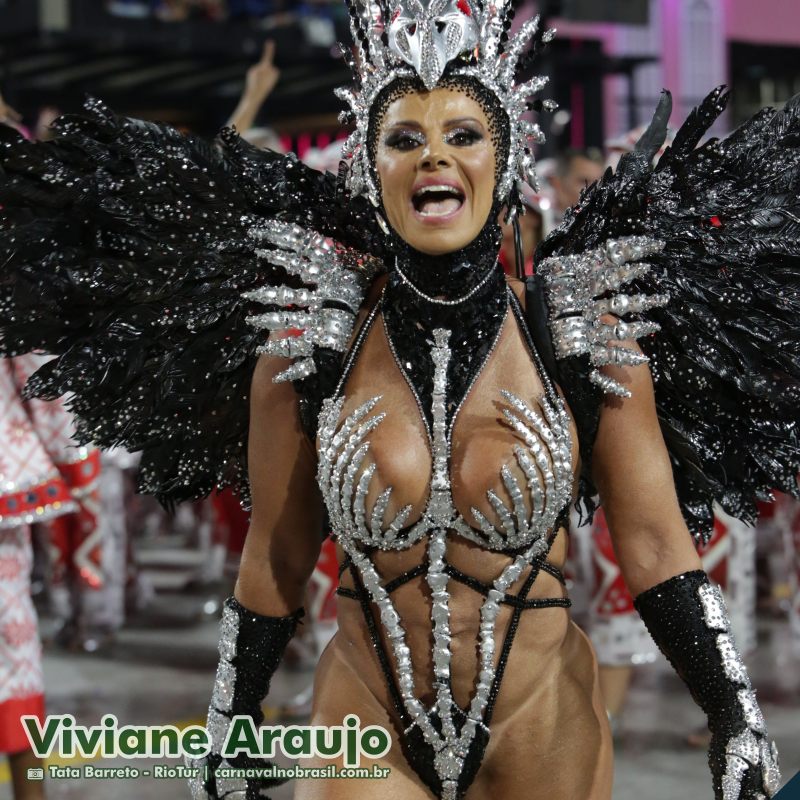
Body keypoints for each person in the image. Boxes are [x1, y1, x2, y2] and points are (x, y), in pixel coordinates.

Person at [0, 3, 797, 799]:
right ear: (370, 168)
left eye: (464, 135)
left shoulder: (581, 333)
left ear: (509, 156)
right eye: (404, 139)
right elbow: (276, 554)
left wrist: (736, 715)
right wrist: (229, 723)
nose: (434, 158)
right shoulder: (310, 343)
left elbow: (658, 547)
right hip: (365, 719)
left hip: (540, 723)